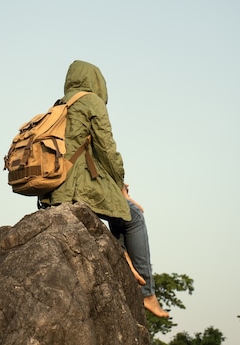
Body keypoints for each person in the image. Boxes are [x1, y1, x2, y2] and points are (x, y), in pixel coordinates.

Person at [40, 60, 169, 318]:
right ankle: (147, 294)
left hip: (51, 190)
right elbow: (107, 150)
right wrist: (121, 186)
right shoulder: (91, 102)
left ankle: (123, 259)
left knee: (120, 215)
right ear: (96, 81)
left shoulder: (59, 105)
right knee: (134, 216)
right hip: (75, 188)